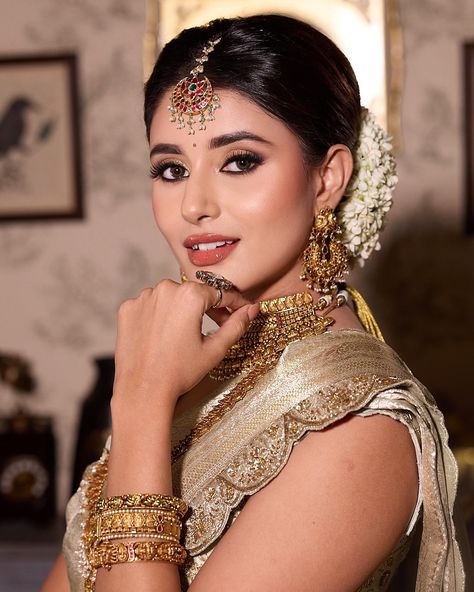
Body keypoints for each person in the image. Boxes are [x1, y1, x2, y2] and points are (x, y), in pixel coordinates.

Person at [42, 13, 468, 592]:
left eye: (240, 161)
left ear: (327, 178)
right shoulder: (195, 371)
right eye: (171, 169)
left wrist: (140, 409)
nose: (194, 204)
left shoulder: (359, 427)